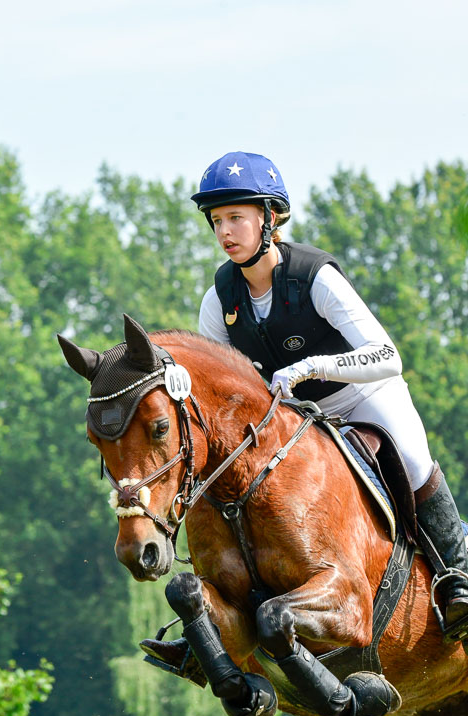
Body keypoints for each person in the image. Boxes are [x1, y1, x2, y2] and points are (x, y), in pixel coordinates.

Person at [193, 150, 468, 640]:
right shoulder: (220, 299)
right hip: (294, 418)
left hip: (362, 394)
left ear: (270, 219)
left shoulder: (314, 277)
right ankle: (215, 619)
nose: (225, 233)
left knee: (412, 457)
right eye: (217, 221)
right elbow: (217, 391)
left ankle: (458, 575)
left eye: (236, 217)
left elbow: (386, 354)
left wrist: (315, 366)